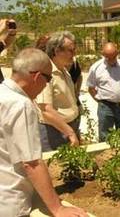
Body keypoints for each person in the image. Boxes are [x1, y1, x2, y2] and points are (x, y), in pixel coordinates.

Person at [0, 48, 88, 217]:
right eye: (47, 78)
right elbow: (31, 162)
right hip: (11, 202)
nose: (46, 84)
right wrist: (58, 208)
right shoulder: (21, 104)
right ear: (37, 77)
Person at [36, 31, 80, 151]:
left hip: (67, 128)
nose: (74, 54)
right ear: (56, 51)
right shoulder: (46, 73)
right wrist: (70, 133)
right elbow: (46, 110)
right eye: (70, 50)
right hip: (54, 132)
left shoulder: (64, 71)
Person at [87, 42, 120, 142]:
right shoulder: (96, 68)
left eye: (113, 57)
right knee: (105, 136)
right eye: (107, 57)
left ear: (117, 53)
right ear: (103, 54)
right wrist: (100, 101)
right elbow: (91, 88)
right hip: (105, 106)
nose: (110, 60)